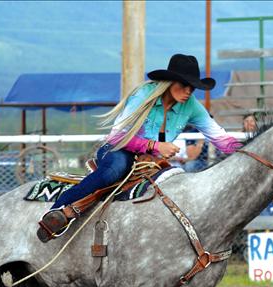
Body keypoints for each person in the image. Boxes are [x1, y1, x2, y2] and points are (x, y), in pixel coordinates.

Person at [37, 54, 242, 242]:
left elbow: (220, 137)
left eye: (192, 87)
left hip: (151, 161)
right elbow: (117, 136)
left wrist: (246, 152)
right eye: (184, 84)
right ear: (170, 82)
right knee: (114, 171)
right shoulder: (144, 95)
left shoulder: (192, 107)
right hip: (119, 149)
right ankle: (60, 210)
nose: (188, 91)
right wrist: (155, 145)